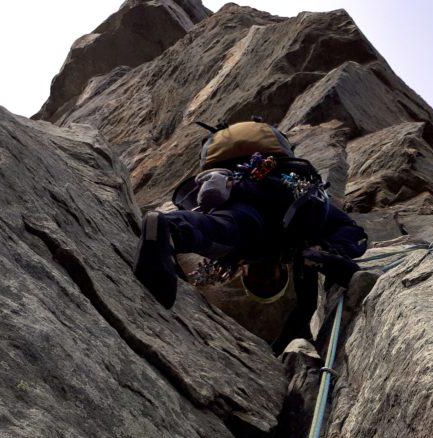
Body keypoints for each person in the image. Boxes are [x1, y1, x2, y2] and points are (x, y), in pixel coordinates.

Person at [133, 118, 366, 350]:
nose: (263, 275)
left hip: (249, 185)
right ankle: (170, 228)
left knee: (227, 229)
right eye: (271, 281)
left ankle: (171, 228)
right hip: (277, 187)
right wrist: (330, 252)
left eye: (258, 282)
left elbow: (350, 237)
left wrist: (329, 253)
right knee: (230, 230)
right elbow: (351, 235)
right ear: (284, 271)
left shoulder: (244, 248)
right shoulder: (298, 249)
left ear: (244, 272)